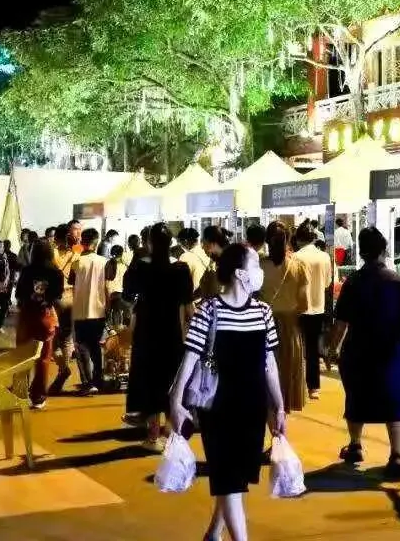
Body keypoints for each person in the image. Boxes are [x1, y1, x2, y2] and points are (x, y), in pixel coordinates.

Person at [168, 243, 285, 541]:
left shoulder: (263, 312)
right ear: (240, 273)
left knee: (237, 478)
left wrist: (279, 406)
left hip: (253, 407)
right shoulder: (209, 310)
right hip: (218, 408)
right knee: (230, 479)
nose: (259, 271)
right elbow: (190, 358)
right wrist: (176, 401)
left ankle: (213, 533)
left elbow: (269, 363)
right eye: (255, 265)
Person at [332, 228, 400, 478]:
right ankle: (396, 454)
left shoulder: (353, 282)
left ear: (362, 252)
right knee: (394, 401)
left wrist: (332, 348)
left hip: (358, 351)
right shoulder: (397, 281)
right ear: (384, 250)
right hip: (393, 351)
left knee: (356, 397)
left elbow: (341, 323)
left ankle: (355, 445)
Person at [123, 223, 194, 451]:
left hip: (146, 332)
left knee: (149, 381)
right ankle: (172, 434)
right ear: (171, 242)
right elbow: (189, 306)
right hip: (171, 331)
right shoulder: (181, 269)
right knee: (171, 380)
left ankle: (153, 436)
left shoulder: (141, 267)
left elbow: (127, 295)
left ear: (149, 243)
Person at [261, 223, 309, 415]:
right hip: (290, 328)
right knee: (287, 373)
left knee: (265, 375)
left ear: (267, 240)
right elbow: (304, 304)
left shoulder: (259, 266)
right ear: (289, 240)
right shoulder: (298, 266)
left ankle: (271, 419)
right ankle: (282, 417)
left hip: (264, 327)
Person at [14, 241, 63, 409]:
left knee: (22, 356)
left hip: (27, 316)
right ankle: (38, 397)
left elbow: (19, 294)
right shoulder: (56, 272)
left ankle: (20, 392)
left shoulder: (27, 271)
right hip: (45, 316)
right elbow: (57, 296)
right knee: (43, 358)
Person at [293, 224, 331, 400]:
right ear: (314, 238)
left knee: (297, 348)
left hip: (298, 308)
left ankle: (296, 386)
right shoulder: (324, 257)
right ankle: (313, 387)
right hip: (318, 307)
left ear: (298, 239)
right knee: (313, 348)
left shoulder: (295, 257)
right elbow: (327, 283)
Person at [69, 228, 108, 394]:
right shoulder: (104, 262)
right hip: (99, 310)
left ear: (82, 242)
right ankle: (98, 379)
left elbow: (71, 281)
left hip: (80, 310)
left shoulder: (77, 262)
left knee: (82, 347)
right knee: (96, 346)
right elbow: (107, 287)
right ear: (96, 242)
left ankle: (87, 382)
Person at [51, 225, 80, 394]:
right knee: (67, 338)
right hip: (73, 297)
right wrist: (75, 243)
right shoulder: (76, 252)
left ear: (57, 237)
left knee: (53, 339)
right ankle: (64, 368)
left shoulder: (53, 252)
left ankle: (63, 368)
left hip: (57, 299)